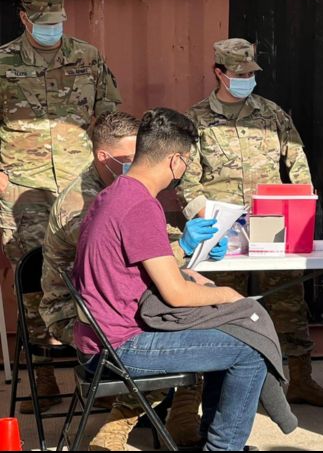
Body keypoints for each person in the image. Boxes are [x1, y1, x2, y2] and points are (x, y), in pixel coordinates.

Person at [73, 107, 277, 451]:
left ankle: (212, 440)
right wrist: (229, 294)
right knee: (250, 347)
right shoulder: (140, 205)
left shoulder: (114, 193)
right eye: (187, 162)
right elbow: (176, 295)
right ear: (176, 161)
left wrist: (188, 274)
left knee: (230, 332)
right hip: (120, 346)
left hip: (98, 338)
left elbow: (141, 271)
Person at [40, 111, 226, 450]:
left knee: (191, 309)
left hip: (115, 298)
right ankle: (118, 426)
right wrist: (182, 249)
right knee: (180, 324)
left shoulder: (126, 189)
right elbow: (122, 261)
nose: (139, 162)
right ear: (103, 156)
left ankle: (182, 417)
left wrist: (195, 240)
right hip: (76, 312)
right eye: (129, 157)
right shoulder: (82, 203)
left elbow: (150, 240)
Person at [177, 38, 323, 408]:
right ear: (219, 73)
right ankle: (204, 393)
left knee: (288, 301)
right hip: (221, 227)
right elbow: (186, 180)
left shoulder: (271, 114)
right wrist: (205, 218)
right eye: (239, 74)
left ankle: (301, 379)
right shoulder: (196, 119)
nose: (247, 79)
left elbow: (297, 161)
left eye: (251, 73)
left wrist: (301, 203)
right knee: (218, 308)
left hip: (270, 222)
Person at [0, 0, 122, 412]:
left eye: (57, 20)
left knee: (93, 274)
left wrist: (113, 172)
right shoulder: (3, 62)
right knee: (33, 278)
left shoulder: (88, 57)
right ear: (24, 17)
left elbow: (110, 117)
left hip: (80, 185)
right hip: (23, 187)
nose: (51, 28)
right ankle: (44, 379)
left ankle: (97, 378)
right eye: (42, 21)